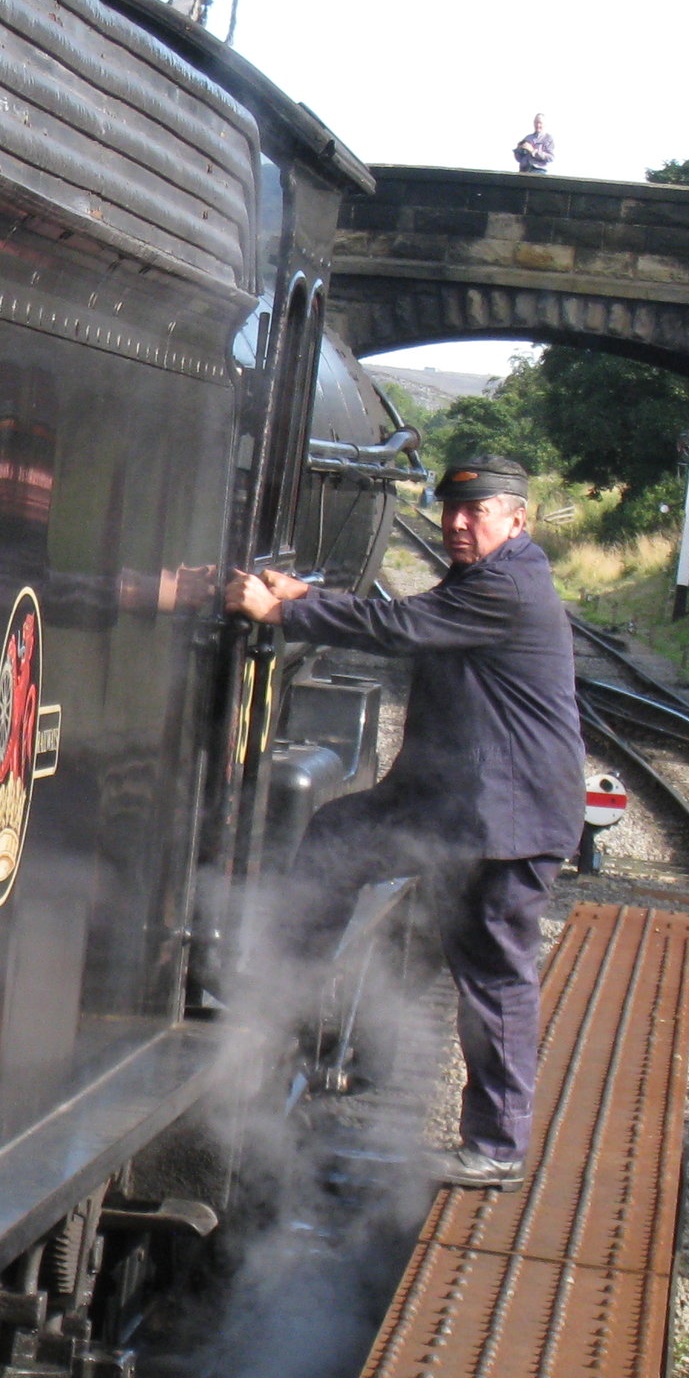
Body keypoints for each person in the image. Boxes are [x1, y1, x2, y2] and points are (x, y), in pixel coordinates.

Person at [225, 455, 584, 1188]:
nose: (457, 523)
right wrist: (307, 592)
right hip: (455, 800)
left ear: (518, 519)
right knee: (337, 834)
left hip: (505, 815)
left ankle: (498, 1147)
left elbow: (402, 626)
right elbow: (412, 616)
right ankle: (280, 989)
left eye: (476, 511)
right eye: (451, 509)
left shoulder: (509, 587)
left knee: (494, 976)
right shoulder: (486, 576)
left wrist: (286, 611)